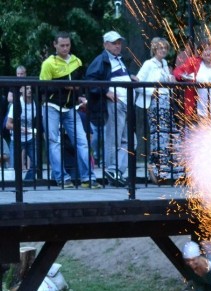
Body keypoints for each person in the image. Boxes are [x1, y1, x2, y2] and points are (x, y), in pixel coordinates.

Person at [40, 31, 97, 188]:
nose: (65, 48)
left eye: (68, 45)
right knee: (54, 143)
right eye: (62, 45)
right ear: (55, 45)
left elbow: (80, 84)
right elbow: (43, 89)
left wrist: (79, 96)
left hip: (71, 108)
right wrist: (64, 86)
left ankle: (87, 178)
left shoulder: (77, 61)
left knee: (82, 142)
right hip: (52, 107)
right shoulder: (48, 64)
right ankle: (62, 179)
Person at [86, 31, 138, 188]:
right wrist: (105, 91)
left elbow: (118, 75)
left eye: (119, 42)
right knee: (114, 139)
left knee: (130, 141)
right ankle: (112, 169)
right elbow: (90, 81)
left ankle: (116, 171)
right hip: (115, 104)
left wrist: (131, 77)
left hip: (125, 104)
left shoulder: (119, 60)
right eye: (114, 43)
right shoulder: (101, 60)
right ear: (106, 44)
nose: (118, 45)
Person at [135, 37, 183, 184]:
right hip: (156, 103)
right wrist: (152, 91)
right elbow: (137, 82)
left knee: (169, 136)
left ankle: (167, 171)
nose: (163, 50)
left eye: (165, 48)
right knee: (158, 136)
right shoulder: (148, 64)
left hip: (166, 103)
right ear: (154, 49)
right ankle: (155, 169)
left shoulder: (164, 64)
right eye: (160, 48)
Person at [173, 40, 211, 121]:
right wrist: (182, 77)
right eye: (204, 50)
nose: (207, 52)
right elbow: (177, 72)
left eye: (210, 49)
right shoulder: (194, 62)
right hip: (202, 110)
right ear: (200, 53)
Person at [5, 85, 37, 180]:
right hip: (16, 138)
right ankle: (15, 184)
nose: (30, 90)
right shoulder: (17, 104)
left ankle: (27, 182)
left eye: (31, 88)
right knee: (14, 166)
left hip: (30, 137)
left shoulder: (35, 103)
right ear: (21, 90)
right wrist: (22, 129)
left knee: (35, 163)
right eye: (27, 88)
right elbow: (8, 125)